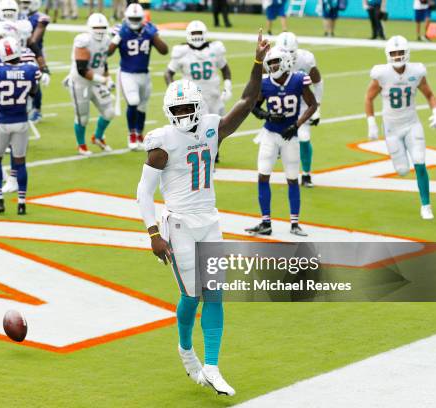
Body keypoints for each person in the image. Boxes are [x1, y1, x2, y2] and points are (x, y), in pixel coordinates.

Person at [136, 31, 269, 397]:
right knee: (192, 296)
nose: (182, 115)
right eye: (176, 110)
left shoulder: (212, 127)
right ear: (168, 113)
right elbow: (143, 191)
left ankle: (211, 365)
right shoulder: (162, 143)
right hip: (178, 224)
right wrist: (153, 234)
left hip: (209, 221)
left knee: (215, 294)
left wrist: (257, 61)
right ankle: (185, 350)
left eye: (186, 108)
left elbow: (248, 98)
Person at [365, 36, 436, 220]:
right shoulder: (381, 74)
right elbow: (368, 98)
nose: (398, 56)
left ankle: (426, 205)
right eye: (394, 53)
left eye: (400, 52)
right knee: (402, 170)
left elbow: (430, 94)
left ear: (407, 52)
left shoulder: (416, 71)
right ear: (388, 54)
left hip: (412, 123)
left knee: (420, 161)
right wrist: (371, 123)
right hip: (391, 128)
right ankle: (401, 156)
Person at [247, 47, 317, 236]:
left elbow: (312, 104)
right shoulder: (265, 83)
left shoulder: (298, 79)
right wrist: (267, 115)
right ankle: (266, 222)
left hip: (290, 136)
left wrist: (297, 125)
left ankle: (294, 223)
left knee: (293, 179)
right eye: (270, 63)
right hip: (270, 134)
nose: (274, 66)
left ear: (285, 61)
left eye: (276, 61)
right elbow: (253, 106)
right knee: (263, 175)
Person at [0, 36, 40, 215]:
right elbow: (33, 92)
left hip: (3, 122)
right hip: (21, 122)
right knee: (20, 163)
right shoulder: (30, 69)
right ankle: (22, 203)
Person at [108, 3, 168, 151]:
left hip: (144, 74)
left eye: (137, 18)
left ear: (142, 18)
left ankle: (140, 134)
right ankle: (132, 135)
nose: (134, 21)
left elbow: (164, 50)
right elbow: (108, 53)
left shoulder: (149, 30)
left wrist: (154, 35)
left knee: (142, 106)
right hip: (127, 73)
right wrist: (117, 38)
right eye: (132, 18)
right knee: (133, 101)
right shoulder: (120, 30)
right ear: (126, 18)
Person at [276, 32, 323, 188]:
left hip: (303, 103)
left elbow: (318, 82)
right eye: (285, 52)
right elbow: (263, 83)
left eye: (292, 52)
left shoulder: (306, 59)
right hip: (281, 102)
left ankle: (306, 174)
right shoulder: (271, 59)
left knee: (304, 138)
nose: (289, 55)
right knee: (276, 139)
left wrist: (317, 107)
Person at [66, 13, 115, 155]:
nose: (99, 30)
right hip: (80, 82)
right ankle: (81, 145)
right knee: (83, 117)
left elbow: (102, 62)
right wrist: (103, 80)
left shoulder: (106, 40)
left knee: (109, 112)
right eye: (96, 27)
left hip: (96, 80)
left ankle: (98, 137)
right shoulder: (83, 40)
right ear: (90, 28)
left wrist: (108, 78)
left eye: (102, 27)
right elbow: (82, 69)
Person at [165, 20, 232, 117]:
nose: (196, 36)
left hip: (214, 96)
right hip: (192, 98)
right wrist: (173, 91)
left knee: (220, 127)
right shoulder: (182, 52)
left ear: (204, 34)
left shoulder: (215, 49)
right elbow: (168, 73)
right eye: (194, 33)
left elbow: (225, 69)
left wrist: (227, 87)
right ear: (188, 34)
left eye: (199, 33)